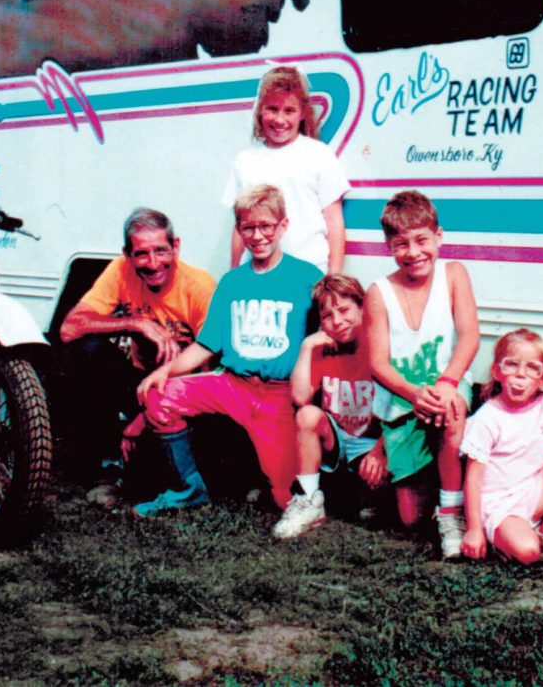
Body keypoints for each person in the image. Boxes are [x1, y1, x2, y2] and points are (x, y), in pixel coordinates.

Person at [126, 183, 323, 516]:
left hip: (278, 394)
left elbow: (323, 342)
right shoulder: (232, 282)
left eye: (266, 226)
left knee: (283, 498)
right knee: (161, 396)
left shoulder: (307, 277)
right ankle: (188, 491)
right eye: (249, 227)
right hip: (234, 384)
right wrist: (163, 371)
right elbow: (206, 344)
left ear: (282, 227)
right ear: (239, 230)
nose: (258, 235)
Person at [59, 208, 216, 485]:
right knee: (86, 351)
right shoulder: (120, 270)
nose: (153, 264)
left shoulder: (199, 286)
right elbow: (69, 328)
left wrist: (141, 422)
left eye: (161, 251)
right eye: (142, 253)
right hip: (141, 383)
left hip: (187, 394)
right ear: (127, 254)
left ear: (176, 247)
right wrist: (136, 323)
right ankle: (100, 463)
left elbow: (209, 371)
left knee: (151, 474)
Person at [363, 190, 479, 559]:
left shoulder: (454, 274)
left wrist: (446, 383)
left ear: (438, 236)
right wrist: (414, 394)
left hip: (447, 382)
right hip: (404, 396)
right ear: (388, 246)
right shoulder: (379, 292)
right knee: (410, 519)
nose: (413, 252)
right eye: (401, 244)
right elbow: (378, 364)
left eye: (421, 240)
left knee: (451, 411)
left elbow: (470, 336)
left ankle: (451, 514)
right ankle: (430, 483)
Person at [460, 328, 543, 563]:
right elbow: (473, 478)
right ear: (497, 371)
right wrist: (474, 530)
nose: (520, 375)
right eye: (512, 365)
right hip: (499, 505)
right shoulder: (488, 418)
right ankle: (506, 535)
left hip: (532, 490)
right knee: (528, 553)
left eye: (532, 368)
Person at [273, 274, 388, 538]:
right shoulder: (322, 347)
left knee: (381, 500)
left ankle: (371, 496)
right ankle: (308, 498)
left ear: (363, 307)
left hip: (371, 442)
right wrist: (306, 347)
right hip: (336, 439)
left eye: (345, 310)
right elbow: (301, 398)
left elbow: (397, 407)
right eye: (327, 315)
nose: (337, 321)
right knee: (308, 415)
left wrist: (380, 452)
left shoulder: (377, 345)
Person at [221, 65, 350, 274]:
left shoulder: (319, 154)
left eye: (289, 110)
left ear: (302, 114)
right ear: (260, 111)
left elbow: (334, 220)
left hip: (309, 271)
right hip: (257, 273)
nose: (280, 120)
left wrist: (334, 278)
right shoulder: (245, 160)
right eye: (272, 109)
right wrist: (233, 274)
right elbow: (238, 228)